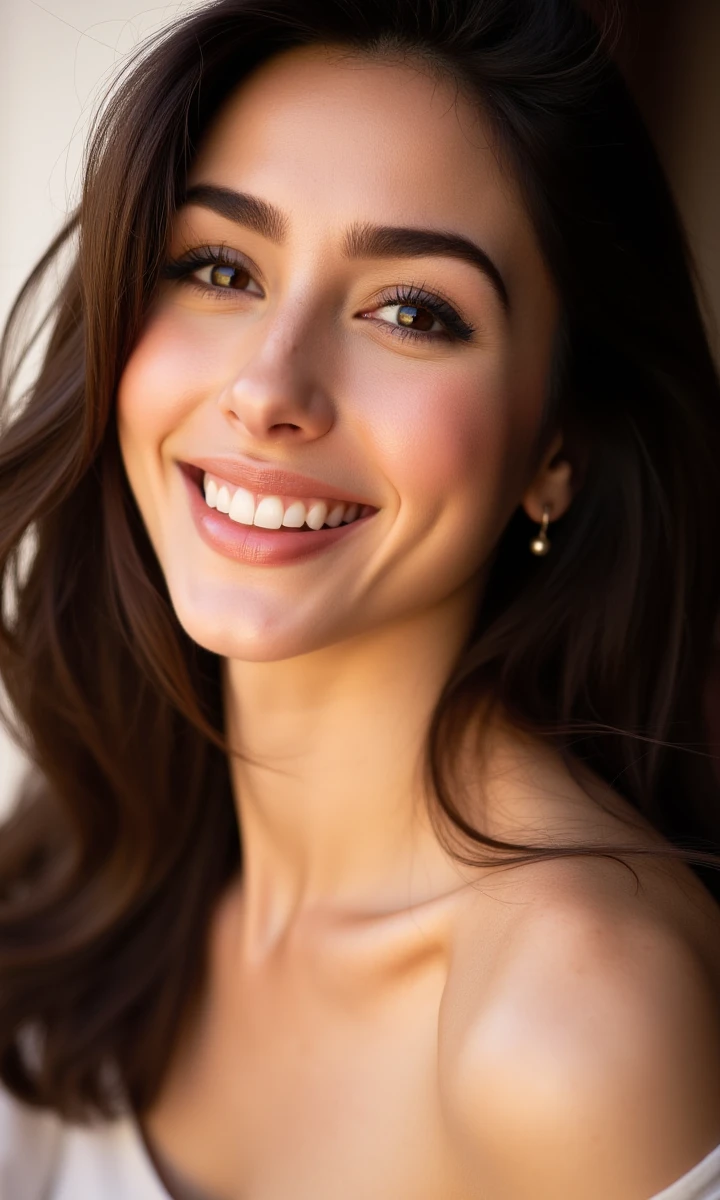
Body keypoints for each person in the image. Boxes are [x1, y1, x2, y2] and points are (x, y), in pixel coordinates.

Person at [1, 0, 719, 1196]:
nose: (270, 388)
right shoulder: (82, 860)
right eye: (219, 268)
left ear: (560, 443)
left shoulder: (579, 1018)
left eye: (413, 311)